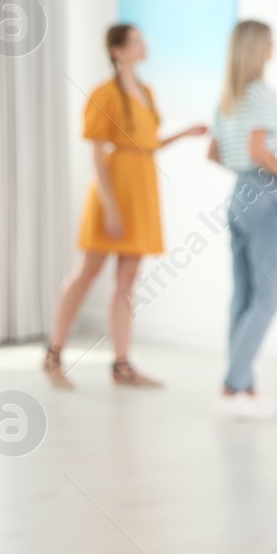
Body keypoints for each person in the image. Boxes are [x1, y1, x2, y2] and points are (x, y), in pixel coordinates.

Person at [43, 24, 206, 389]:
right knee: (87, 272)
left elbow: (148, 144)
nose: (142, 45)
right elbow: (99, 156)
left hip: (142, 188)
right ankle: (53, 353)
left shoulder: (146, 92)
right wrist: (110, 206)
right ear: (116, 50)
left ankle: (122, 365)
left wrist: (184, 133)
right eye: (134, 41)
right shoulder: (104, 94)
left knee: (127, 282)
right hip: (114, 191)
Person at [207, 19, 277, 421]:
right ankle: (232, 386)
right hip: (264, 191)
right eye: (270, 43)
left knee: (243, 296)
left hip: (241, 192)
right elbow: (258, 147)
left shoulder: (229, 96)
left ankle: (244, 388)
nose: (274, 48)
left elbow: (215, 152)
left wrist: (246, 170)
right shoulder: (260, 93)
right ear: (259, 49)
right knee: (267, 298)